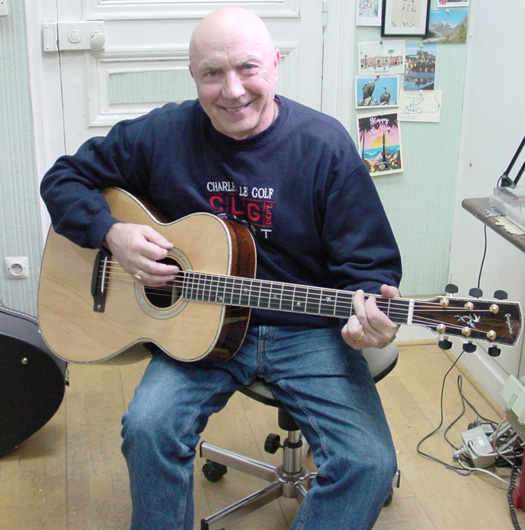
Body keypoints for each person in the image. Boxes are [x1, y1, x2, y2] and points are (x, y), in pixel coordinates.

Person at [40, 7, 402, 530]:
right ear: (194, 76)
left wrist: (369, 315)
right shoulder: (162, 132)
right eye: (212, 73)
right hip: (199, 327)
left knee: (369, 463)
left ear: (275, 66)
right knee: (148, 427)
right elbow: (65, 178)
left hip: (306, 332)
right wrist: (111, 233)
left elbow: (369, 266)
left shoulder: (324, 146)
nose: (231, 90)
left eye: (248, 68)